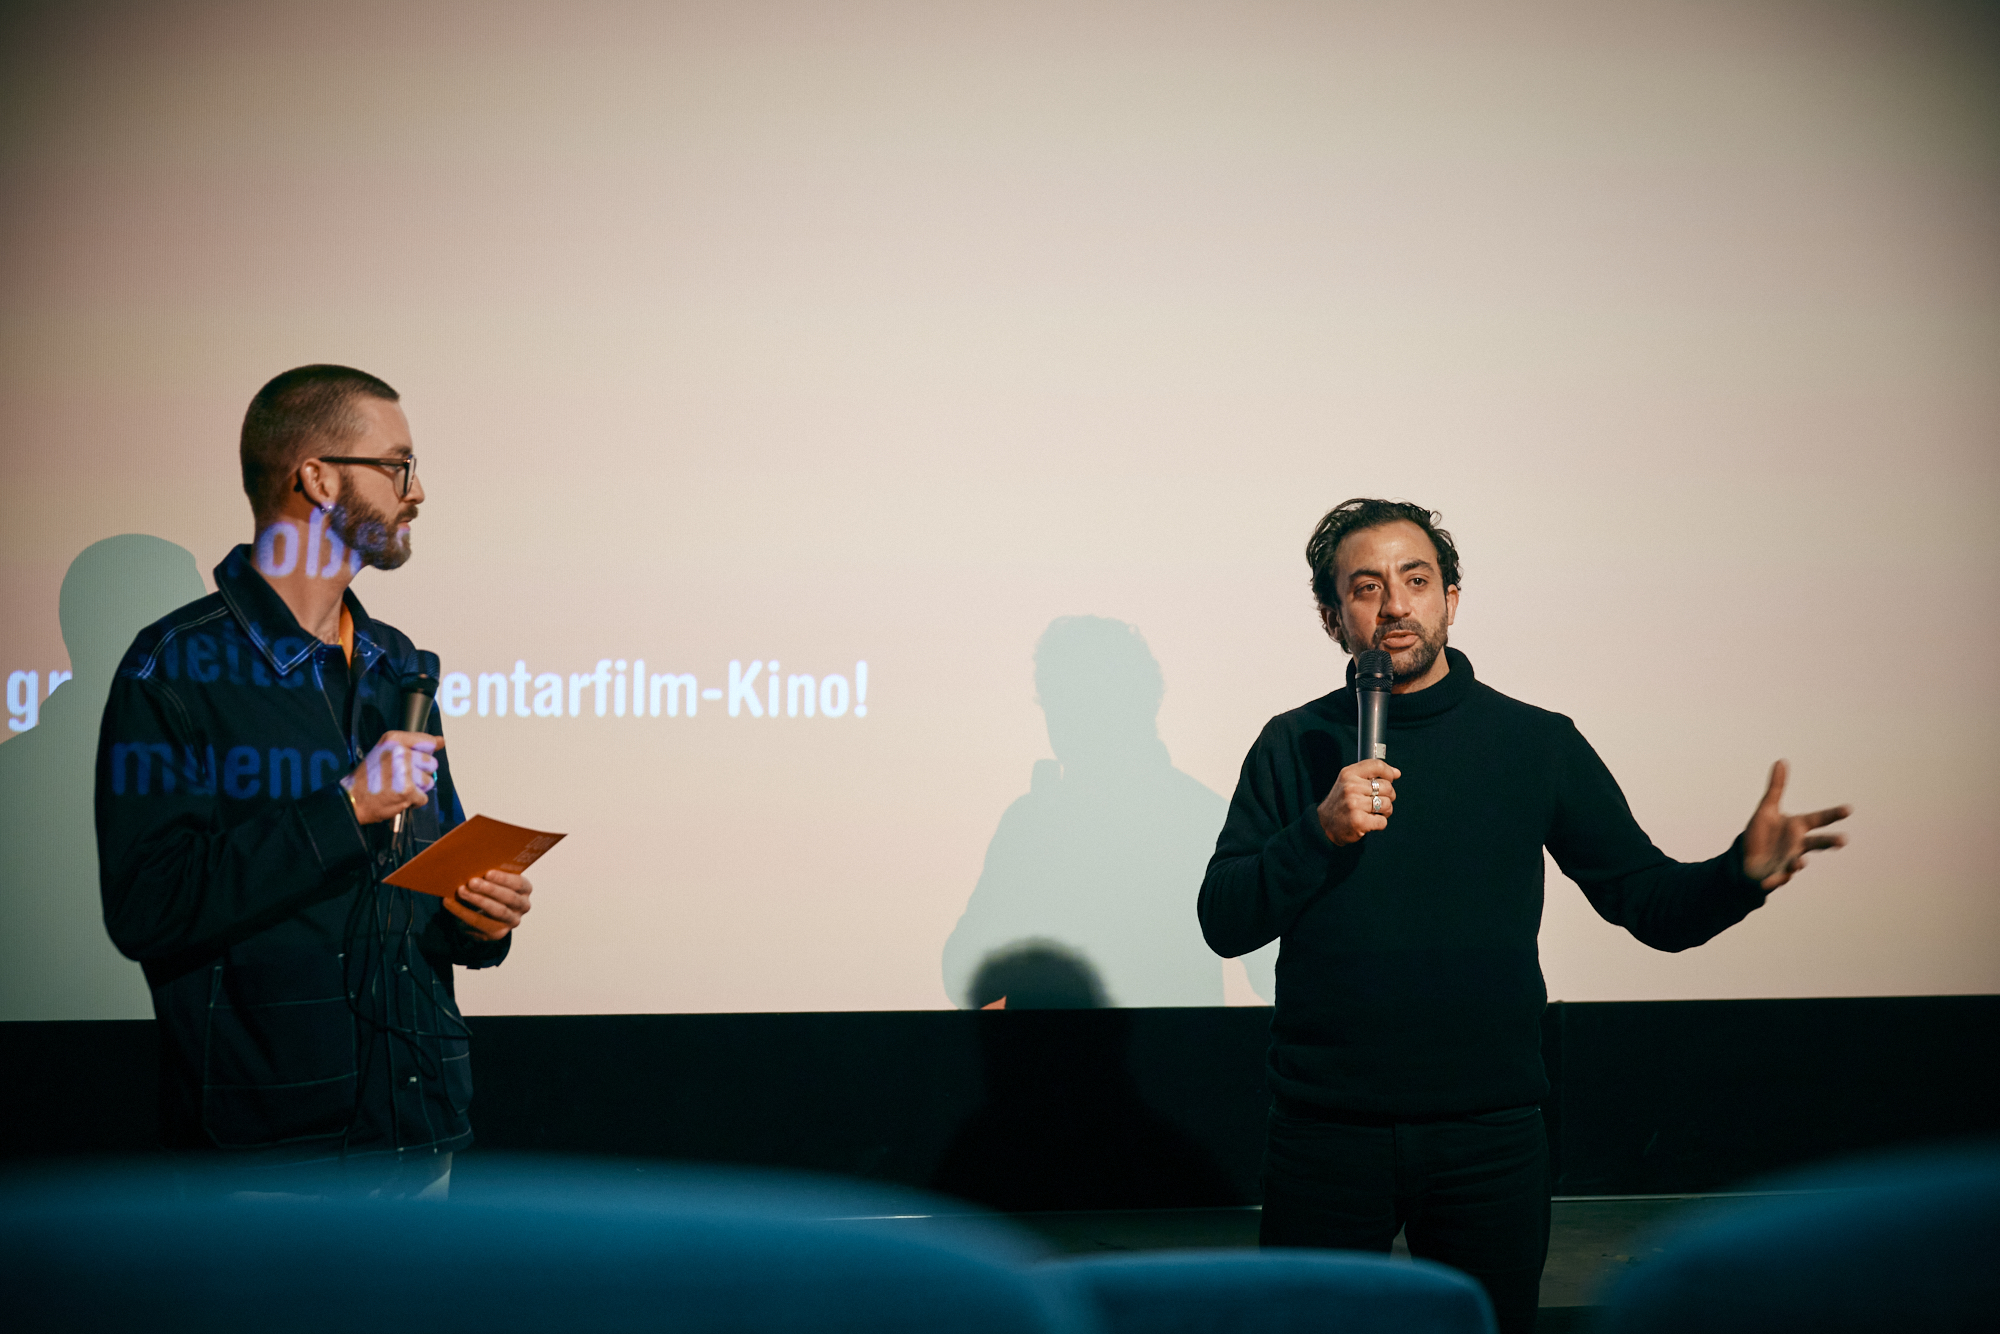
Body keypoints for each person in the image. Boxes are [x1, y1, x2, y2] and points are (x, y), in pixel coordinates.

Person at [1196, 498, 1850, 1334]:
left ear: (1451, 598)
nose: (1394, 605)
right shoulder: (1293, 744)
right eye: (1366, 587)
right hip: (1325, 1135)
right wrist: (1317, 832)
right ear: (1333, 618)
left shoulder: (1535, 743)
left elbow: (1648, 901)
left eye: (1416, 580)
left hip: (1489, 1137)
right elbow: (1224, 920)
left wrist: (1739, 876)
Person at [94, 365, 534, 1197]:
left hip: (419, 1137)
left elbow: (417, 881)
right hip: (271, 1163)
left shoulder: (395, 661)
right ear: (319, 478)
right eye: (397, 465)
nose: (417, 491)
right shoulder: (176, 669)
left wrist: (478, 919)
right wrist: (345, 807)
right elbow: (148, 906)